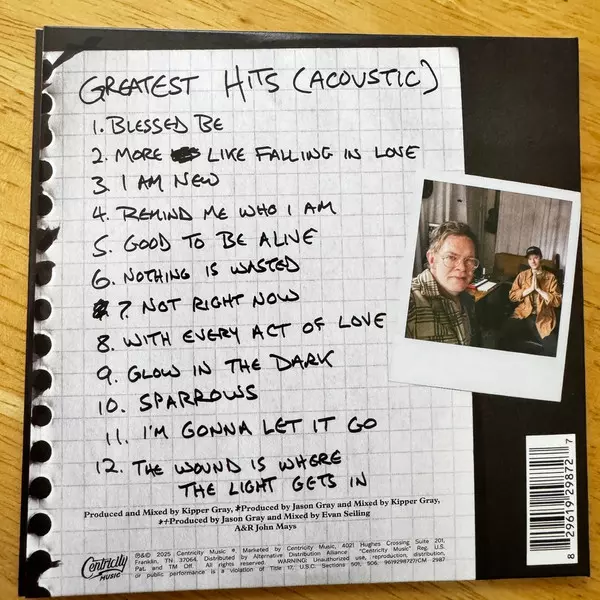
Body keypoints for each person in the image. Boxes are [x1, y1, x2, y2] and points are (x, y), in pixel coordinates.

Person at [406, 221, 480, 346]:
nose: (462, 268)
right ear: (432, 259)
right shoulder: (410, 300)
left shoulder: (467, 301)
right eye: (451, 257)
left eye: (469, 260)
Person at [503, 246, 561, 356]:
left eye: (535, 258)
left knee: (553, 349)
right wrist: (529, 289)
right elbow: (512, 296)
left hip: (543, 317)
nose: (532, 261)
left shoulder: (551, 277)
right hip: (523, 314)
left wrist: (539, 290)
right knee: (504, 338)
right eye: (530, 259)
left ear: (541, 258)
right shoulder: (522, 275)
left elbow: (557, 301)